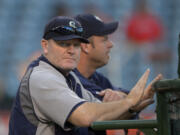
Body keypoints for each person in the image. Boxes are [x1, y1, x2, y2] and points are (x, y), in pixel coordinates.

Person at [8, 16, 161, 135]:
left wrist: (133, 106)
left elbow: (102, 112)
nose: (71, 50)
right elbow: (85, 116)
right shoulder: (42, 77)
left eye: (75, 45)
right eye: (63, 44)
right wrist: (129, 102)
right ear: (45, 46)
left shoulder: (70, 77)